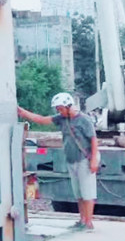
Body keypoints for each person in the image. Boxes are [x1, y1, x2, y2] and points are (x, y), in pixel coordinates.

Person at [18, 92, 100, 231]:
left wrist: (93, 161)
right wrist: (23, 112)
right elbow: (41, 120)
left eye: (60, 108)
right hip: (72, 160)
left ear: (68, 106)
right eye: (58, 109)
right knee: (79, 193)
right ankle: (82, 220)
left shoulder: (84, 120)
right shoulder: (62, 119)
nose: (59, 111)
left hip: (84, 160)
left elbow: (93, 139)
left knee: (87, 193)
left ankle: (88, 223)